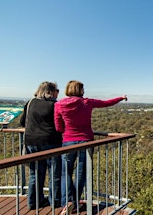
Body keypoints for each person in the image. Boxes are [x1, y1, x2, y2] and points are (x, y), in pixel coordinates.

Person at [54, 80, 127, 214]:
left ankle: (68, 202)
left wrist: (68, 130)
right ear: (80, 90)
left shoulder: (59, 105)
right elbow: (106, 103)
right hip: (86, 141)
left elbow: (58, 127)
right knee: (81, 173)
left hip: (68, 142)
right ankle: (74, 203)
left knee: (65, 172)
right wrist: (121, 98)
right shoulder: (87, 102)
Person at [20, 81, 62, 210]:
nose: (58, 93)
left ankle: (33, 202)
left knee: (35, 173)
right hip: (51, 142)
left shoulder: (30, 103)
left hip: (31, 142)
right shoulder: (55, 105)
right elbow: (60, 125)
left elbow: (23, 123)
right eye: (57, 90)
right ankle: (54, 201)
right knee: (54, 173)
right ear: (50, 91)